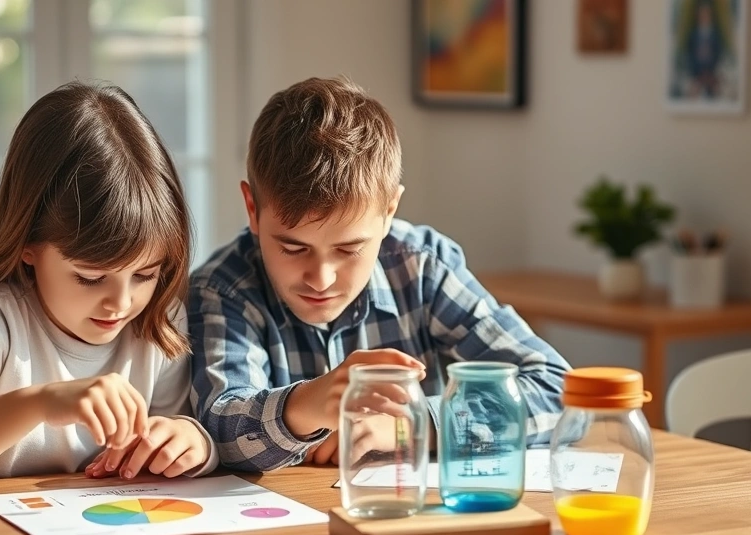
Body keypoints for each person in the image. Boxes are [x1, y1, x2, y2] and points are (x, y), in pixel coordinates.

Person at [188, 76, 570, 472]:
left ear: (389, 212)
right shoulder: (222, 290)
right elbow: (217, 429)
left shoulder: (421, 267)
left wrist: (416, 424)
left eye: (349, 249)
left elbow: (557, 388)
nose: (321, 278)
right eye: (293, 248)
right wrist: (305, 407)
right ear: (252, 209)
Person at [0, 81, 217, 497]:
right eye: (90, 277)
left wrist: (194, 442)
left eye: (144, 274)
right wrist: (41, 403)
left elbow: (177, 430)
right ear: (29, 245)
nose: (122, 303)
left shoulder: (156, 318)